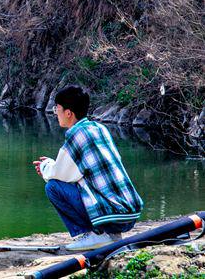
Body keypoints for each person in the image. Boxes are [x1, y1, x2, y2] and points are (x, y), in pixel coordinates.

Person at [34, 85, 143, 251]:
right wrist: (52, 165)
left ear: (68, 113)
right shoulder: (99, 128)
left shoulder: (75, 134)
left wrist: (45, 167)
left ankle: (94, 236)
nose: (55, 112)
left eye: (57, 108)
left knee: (53, 187)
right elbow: (75, 169)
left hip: (112, 216)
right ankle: (110, 235)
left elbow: (59, 174)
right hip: (130, 213)